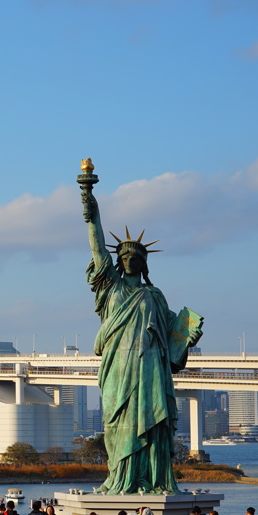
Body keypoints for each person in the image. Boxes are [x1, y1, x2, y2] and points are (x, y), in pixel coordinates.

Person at [81, 168, 202, 495]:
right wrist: (90, 204)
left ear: (144, 261)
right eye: (125, 255)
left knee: (154, 423)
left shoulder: (155, 296)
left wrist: (187, 338)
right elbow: (96, 246)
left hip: (150, 368)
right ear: (118, 260)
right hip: (119, 370)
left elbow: (172, 347)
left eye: (136, 255)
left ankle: (152, 478)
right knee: (119, 424)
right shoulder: (110, 288)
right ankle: (121, 478)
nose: (130, 258)